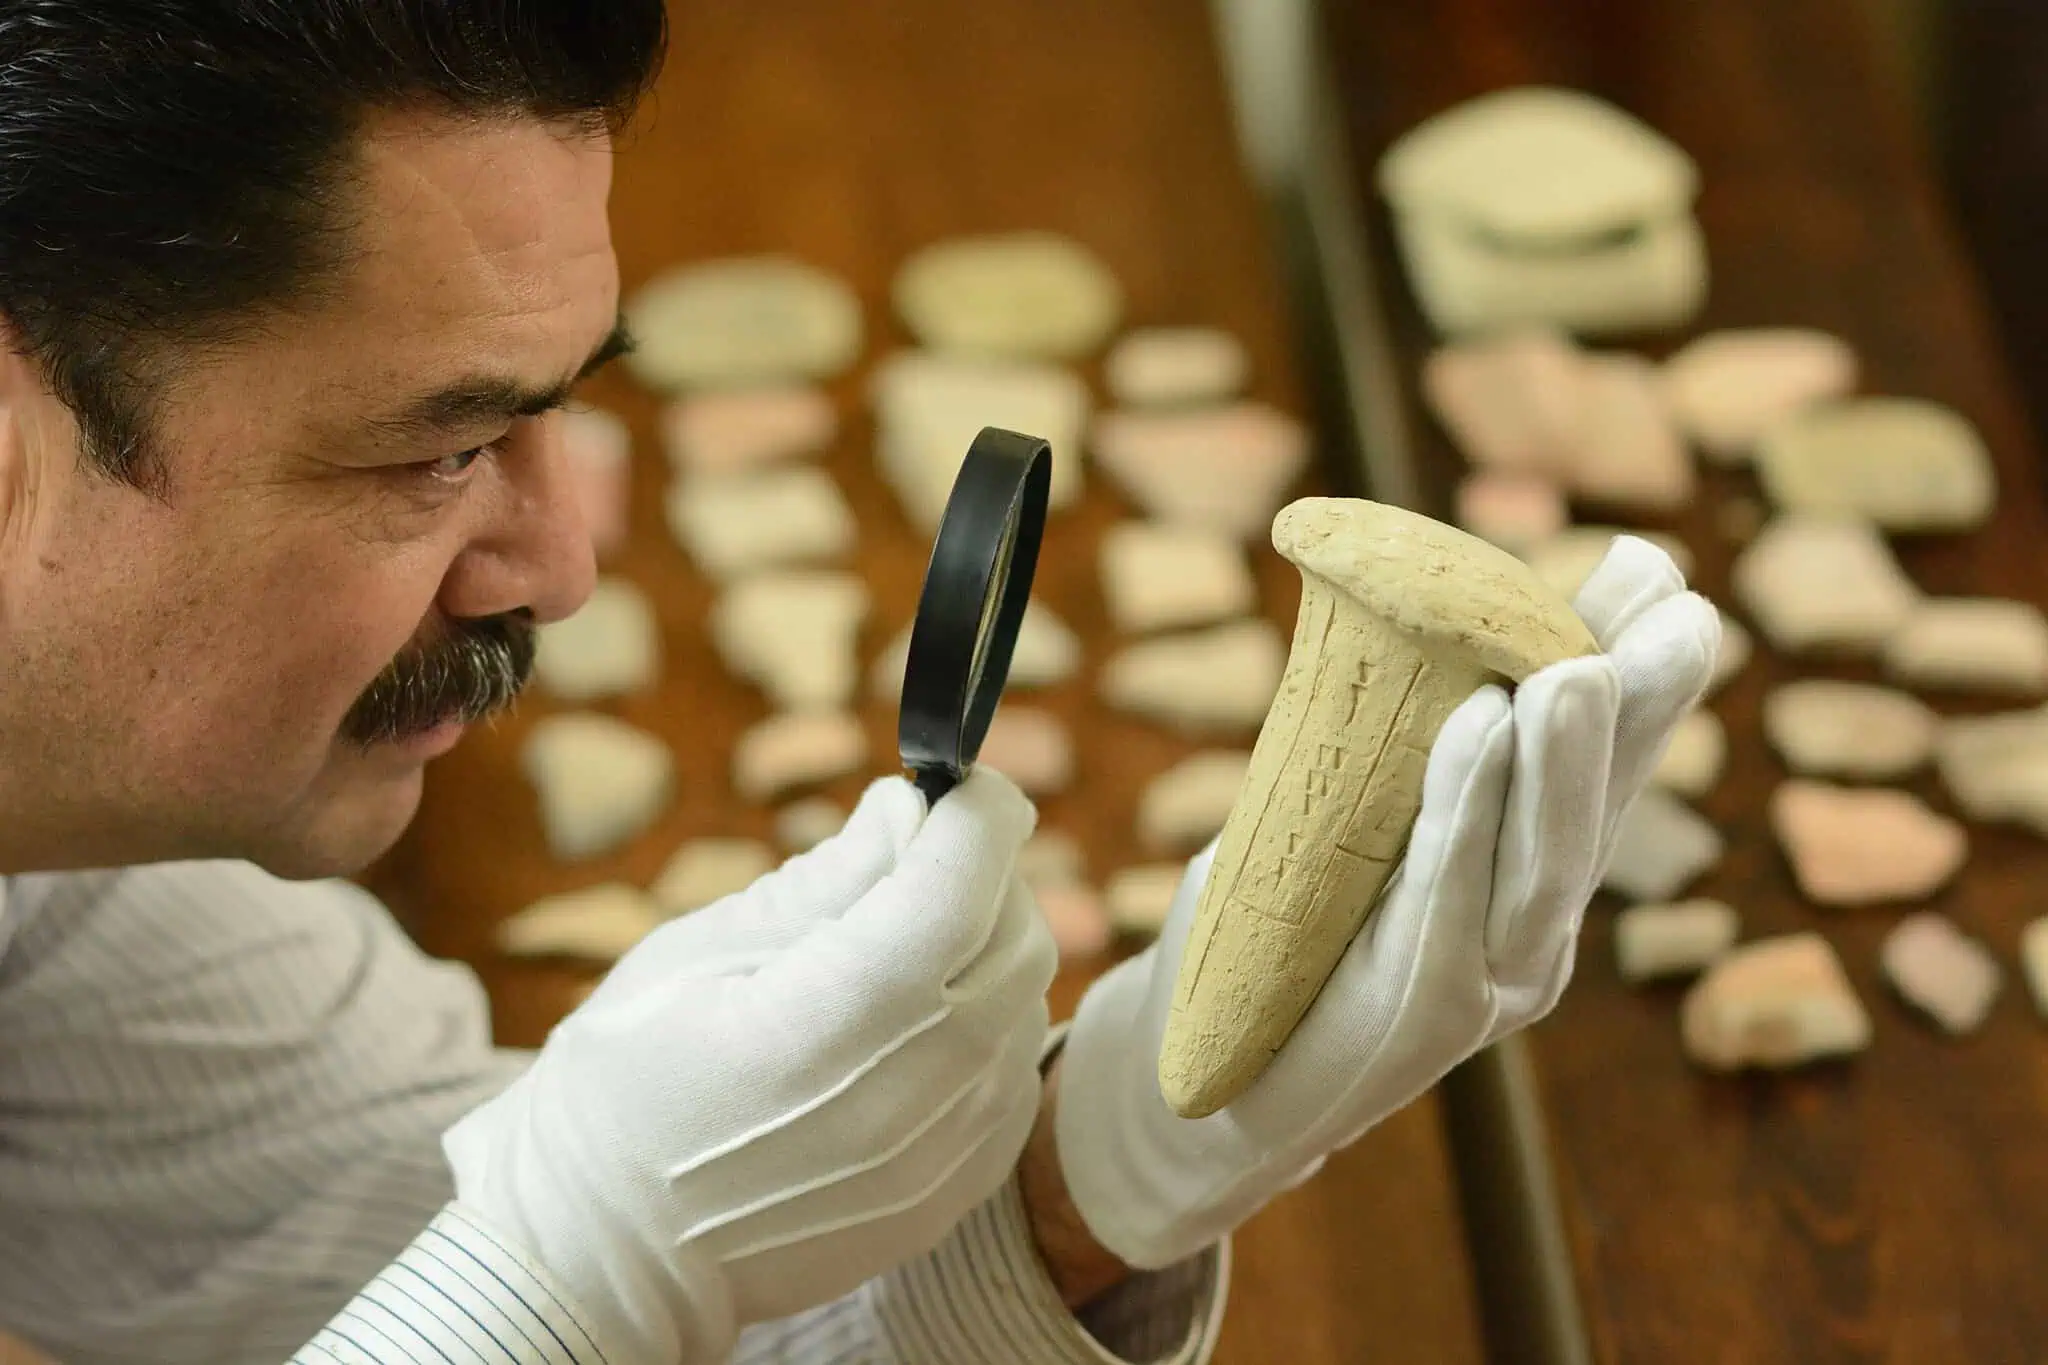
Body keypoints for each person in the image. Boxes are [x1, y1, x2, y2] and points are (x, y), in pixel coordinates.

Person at [0, 4, 1720, 1363]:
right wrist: (582, 1250)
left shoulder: (68, 867)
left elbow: (442, 1291)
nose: (564, 568)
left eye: (545, 415)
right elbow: (557, 1288)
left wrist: (1097, 1174)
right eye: (439, 452)